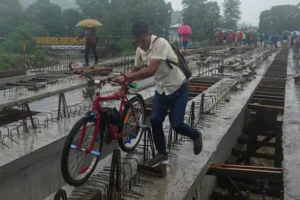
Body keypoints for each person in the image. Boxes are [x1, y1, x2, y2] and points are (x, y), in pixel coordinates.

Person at [112, 22, 203, 167]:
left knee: (177, 124)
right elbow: (134, 71)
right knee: (155, 121)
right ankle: (162, 154)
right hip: (161, 89)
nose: (141, 44)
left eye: (143, 41)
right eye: (137, 42)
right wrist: (123, 87)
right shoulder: (139, 51)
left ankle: (196, 135)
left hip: (178, 88)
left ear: (149, 34)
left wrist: (126, 77)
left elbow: (151, 70)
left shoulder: (160, 43)